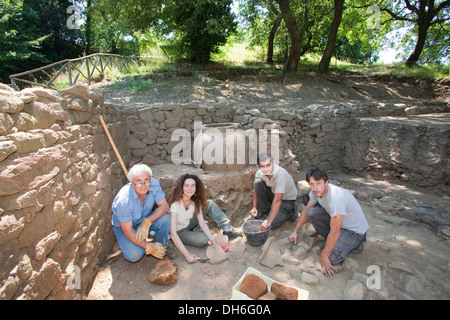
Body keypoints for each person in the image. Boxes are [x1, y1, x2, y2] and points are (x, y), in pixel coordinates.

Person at [289, 168, 369, 278]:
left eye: (318, 183)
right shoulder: (315, 192)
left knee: (331, 258)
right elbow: (306, 210)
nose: (315, 188)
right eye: (311, 184)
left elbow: (335, 231)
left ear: (326, 183)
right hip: (339, 224)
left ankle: (357, 244)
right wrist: (295, 231)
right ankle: (330, 241)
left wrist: (324, 257)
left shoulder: (336, 197)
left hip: (354, 231)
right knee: (311, 213)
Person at [169, 174, 241, 263]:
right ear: (181, 188)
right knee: (203, 239)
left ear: (196, 189)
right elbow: (173, 234)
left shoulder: (195, 201)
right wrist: (187, 255)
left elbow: (202, 222)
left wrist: (212, 238)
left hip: (189, 222)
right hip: (180, 231)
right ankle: (196, 231)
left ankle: (227, 228)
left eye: (193, 186)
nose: (190, 189)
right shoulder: (175, 205)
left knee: (209, 203)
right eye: (186, 186)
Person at [112, 163, 171, 263]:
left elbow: (165, 207)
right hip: (126, 227)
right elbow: (128, 231)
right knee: (135, 254)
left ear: (150, 179)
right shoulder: (124, 201)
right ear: (131, 182)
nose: (143, 186)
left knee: (165, 218)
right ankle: (151, 249)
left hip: (144, 219)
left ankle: (162, 248)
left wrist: (147, 221)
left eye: (146, 180)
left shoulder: (154, 185)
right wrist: (149, 246)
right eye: (139, 181)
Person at [249, 153, 298, 231]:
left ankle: (291, 211)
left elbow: (278, 200)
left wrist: (268, 221)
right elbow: (255, 189)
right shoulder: (260, 173)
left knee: (271, 225)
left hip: (287, 200)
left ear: (272, 163)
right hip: (275, 193)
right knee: (257, 183)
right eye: (262, 166)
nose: (266, 169)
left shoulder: (280, 175)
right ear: (259, 166)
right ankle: (266, 211)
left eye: (268, 165)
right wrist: (254, 207)